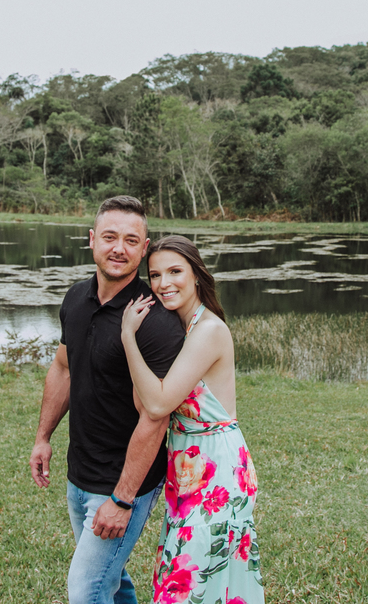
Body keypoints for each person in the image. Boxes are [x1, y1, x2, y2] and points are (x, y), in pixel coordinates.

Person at [30, 196, 185, 604]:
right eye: (110, 237)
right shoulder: (75, 299)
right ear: (92, 239)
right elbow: (63, 367)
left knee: (86, 590)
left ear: (144, 248)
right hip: (79, 471)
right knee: (109, 580)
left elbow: (155, 417)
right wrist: (43, 436)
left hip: (123, 482)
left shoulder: (155, 322)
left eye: (131, 240)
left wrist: (122, 499)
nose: (119, 248)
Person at [120, 235, 265, 604]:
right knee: (191, 576)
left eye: (175, 271)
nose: (163, 283)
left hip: (217, 469)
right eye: (155, 275)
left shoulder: (208, 331)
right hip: (186, 467)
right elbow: (144, 402)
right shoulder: (178, 331)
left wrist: (128, 338)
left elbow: (158, 405)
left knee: (186, 582)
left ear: (196, 275)